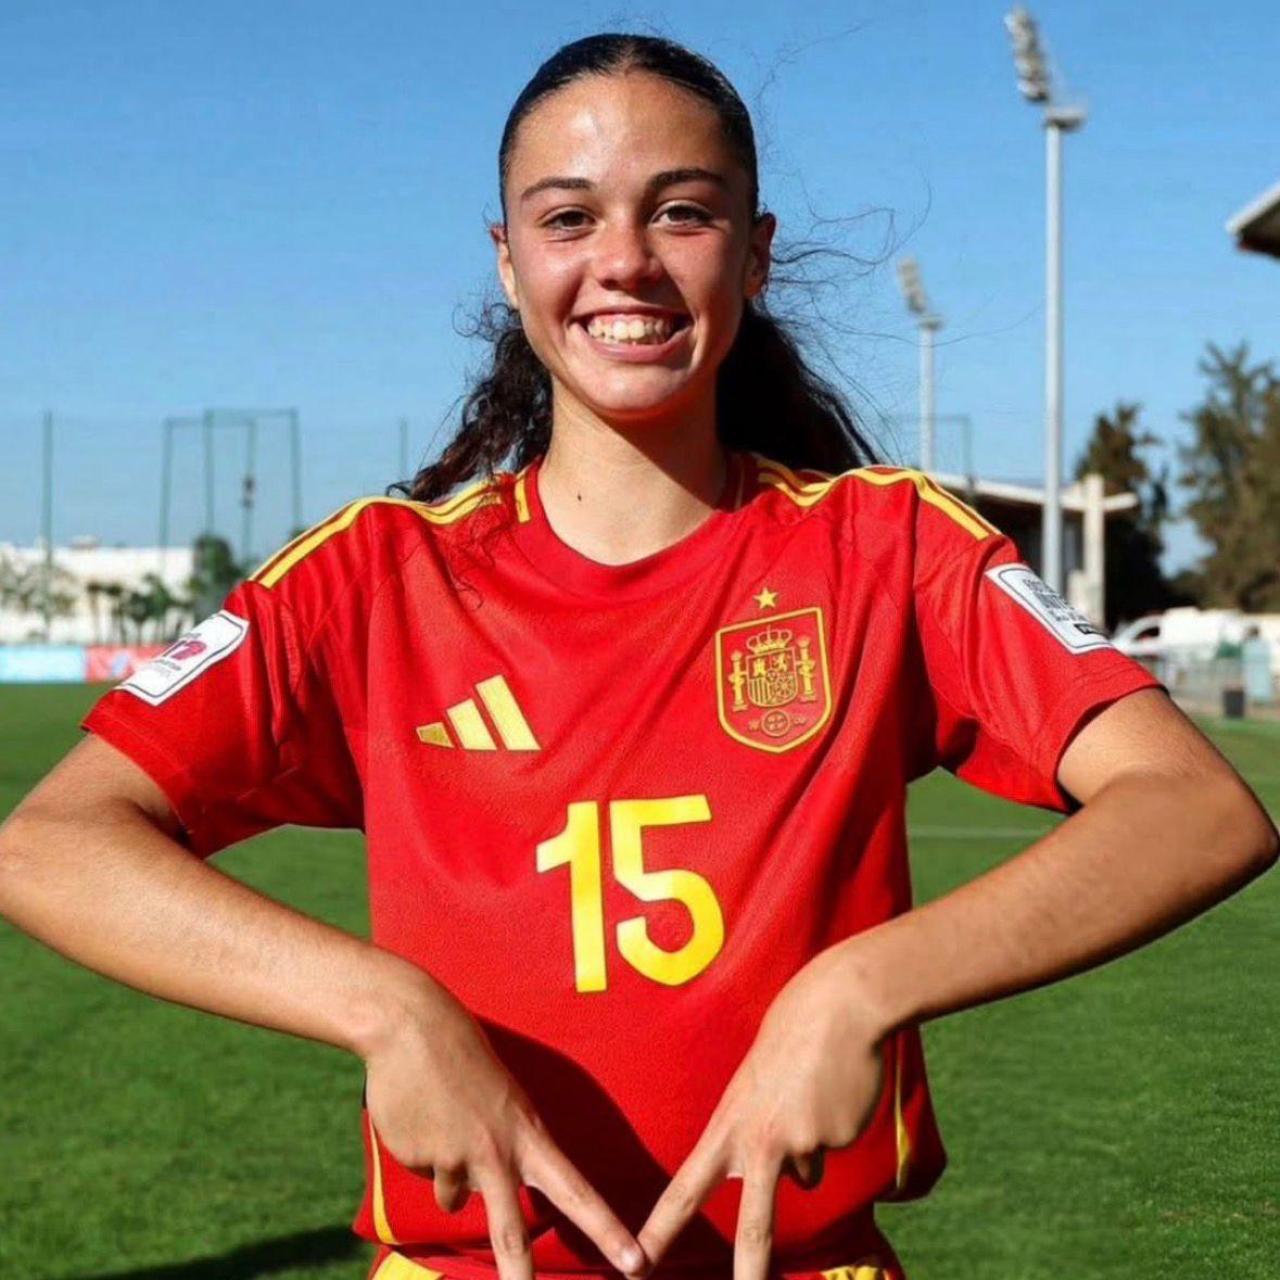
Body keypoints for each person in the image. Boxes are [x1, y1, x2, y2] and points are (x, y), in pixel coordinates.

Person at [0, 31, 1275, 1280]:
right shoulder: (374, 578)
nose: (624, 263)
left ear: (756, 252)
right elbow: (51, 841)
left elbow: (1191, 807)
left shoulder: (885, 551)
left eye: (681, 213)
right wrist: (383, 1007)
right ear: (506, 263)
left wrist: (862, 984)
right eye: (567, 220)